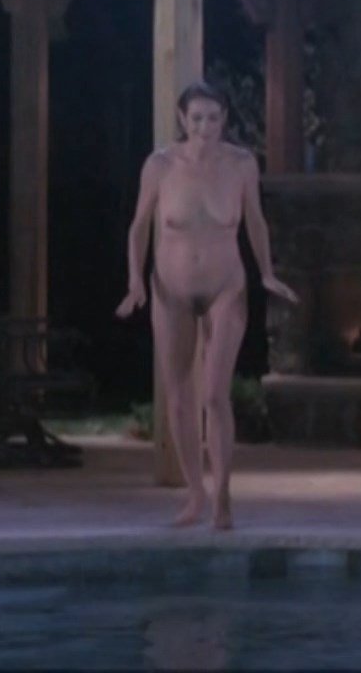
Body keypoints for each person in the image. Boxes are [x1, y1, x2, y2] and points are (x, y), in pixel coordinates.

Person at [116, 81, 298, 530]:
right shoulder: (160, 165)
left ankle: (223, 494)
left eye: (213, 118)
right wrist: (135, 281)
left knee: (214, 394)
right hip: (170, 290)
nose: (205, 127)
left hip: (225, 287)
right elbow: (139, 226)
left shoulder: (241, 164)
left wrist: (267, 272)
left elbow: (255, 221)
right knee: (179, 397)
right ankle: (195, 493)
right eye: (196, 118)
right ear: (183, 119)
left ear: (224, 120)